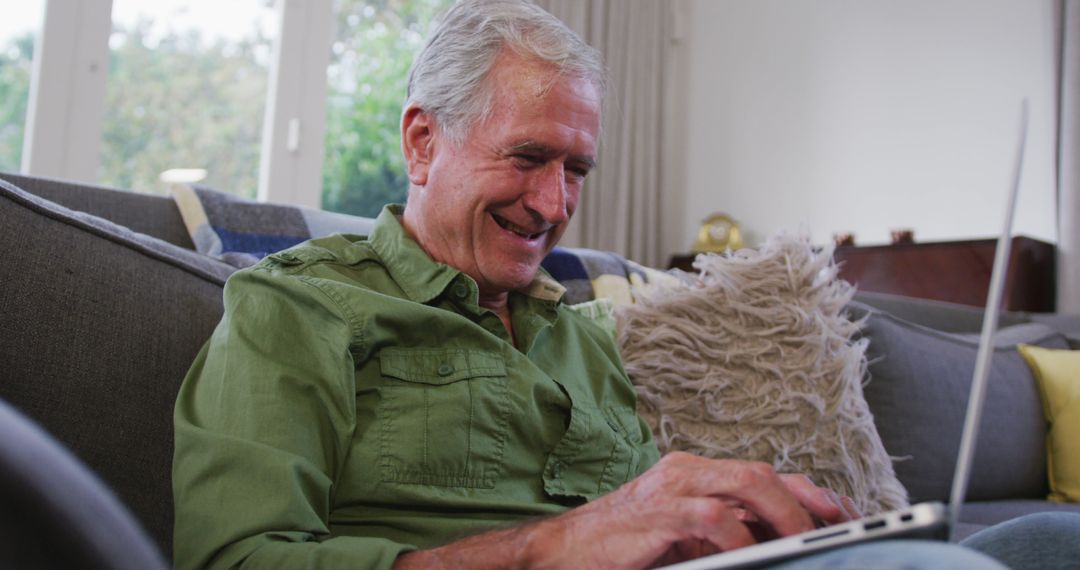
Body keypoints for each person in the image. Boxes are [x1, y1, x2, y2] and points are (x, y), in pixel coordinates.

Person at [172, 1, 1079, 568]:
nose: (553, 203)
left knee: (1047, 541)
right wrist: (546, 550)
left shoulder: (580, 334)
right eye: (528, 156)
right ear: (421, 142)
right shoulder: (295, 306)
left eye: (578, 169)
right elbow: (237, 556)